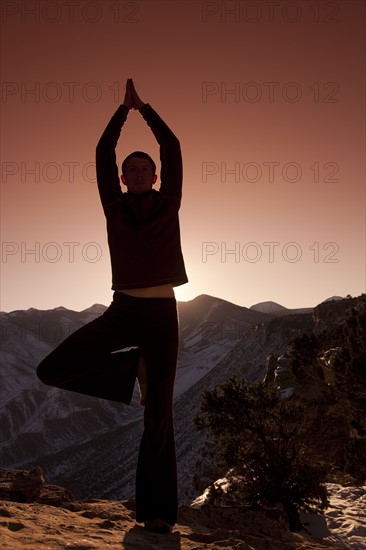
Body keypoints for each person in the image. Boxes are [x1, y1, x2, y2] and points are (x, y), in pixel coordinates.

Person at [36, 78, 188, 534]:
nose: (140, 173)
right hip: (122, 311)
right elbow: (103, 151)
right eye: (132, 169)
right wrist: (122, 114)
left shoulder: (170, 202)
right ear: (122, 179)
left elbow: (174, 145)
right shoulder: (113, 206)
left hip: (162, 316)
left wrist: (147, 109)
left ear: (155, 176)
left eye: (146, 168)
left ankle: (156, 514)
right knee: (52, 368)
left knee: (158, 417)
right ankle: (132, 367)